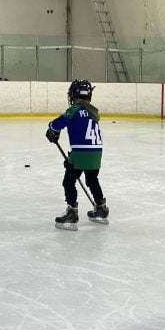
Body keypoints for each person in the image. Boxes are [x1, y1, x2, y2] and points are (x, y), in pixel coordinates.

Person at [46, 80, 106, 230]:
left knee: (68, 182)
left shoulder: (74, 110)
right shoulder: (93, 112)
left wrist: (52, 130)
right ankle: (101, 209)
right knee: (92, 180)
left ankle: (72, 213)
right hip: (96, 152)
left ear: (73, 94)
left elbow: (57, 124)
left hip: (81, 153)